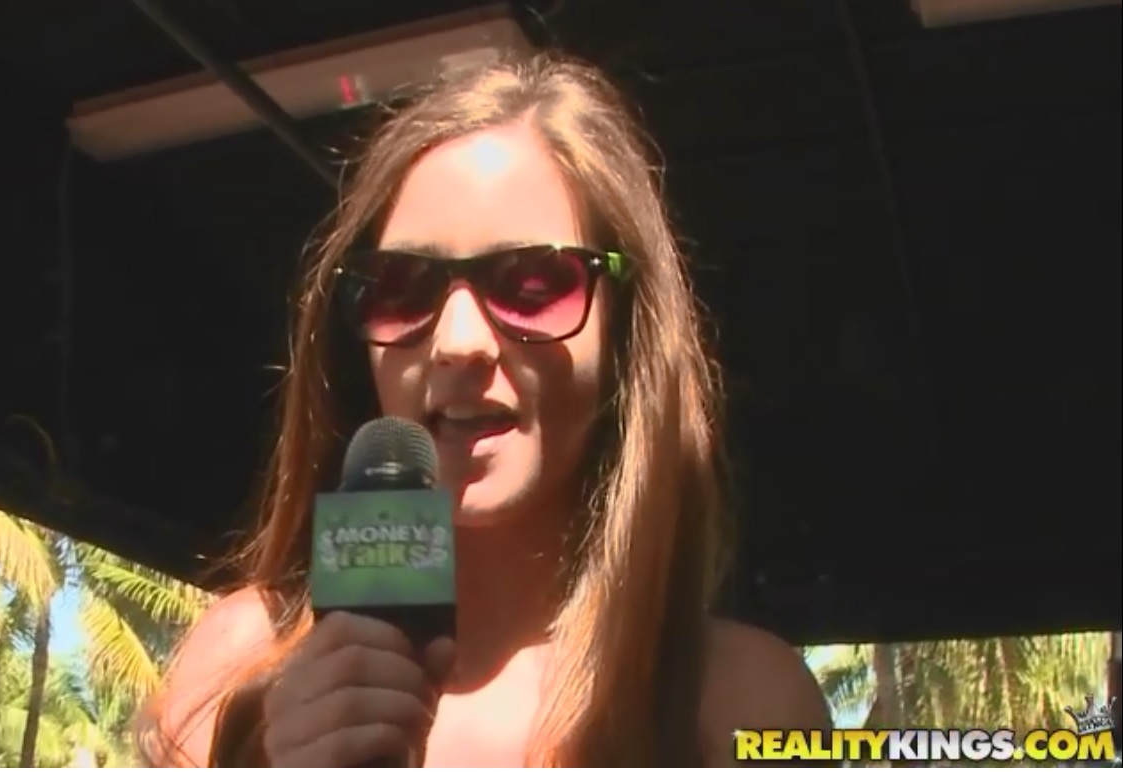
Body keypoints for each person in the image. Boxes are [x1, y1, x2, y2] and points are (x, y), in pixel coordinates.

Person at [137, 51, 832, 767]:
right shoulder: (235, 668)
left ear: (625, 332)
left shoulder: (748, 700)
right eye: (403, 286)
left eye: (533, 284)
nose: (458, 342)